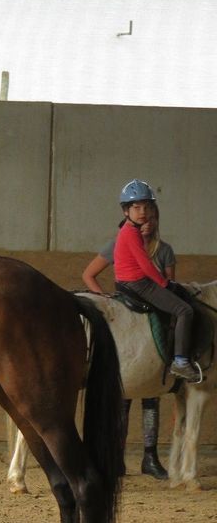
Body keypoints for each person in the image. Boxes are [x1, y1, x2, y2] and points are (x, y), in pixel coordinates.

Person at [82, 210, 176, 480]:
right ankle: (116, 456)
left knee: (151, 397)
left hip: (153, 320)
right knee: (121, 395)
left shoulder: (165, 250)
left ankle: (150, 456)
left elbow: (170, 285)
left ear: (157, 220)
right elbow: (89, 274)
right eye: (142, 217)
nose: (147, 221)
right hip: (127, 319)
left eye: (152, 217)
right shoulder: (118, 244)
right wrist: (106, 301)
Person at [114, 179, 200, 384]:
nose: (142, 212)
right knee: (184, 310)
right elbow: (145, 265)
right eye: (136, 207)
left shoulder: (127, 229)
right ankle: (180, 361)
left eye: (147, 207)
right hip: (138, 283)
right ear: (126, 211)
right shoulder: (131, 233)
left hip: (126, 282)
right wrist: (164, 283)